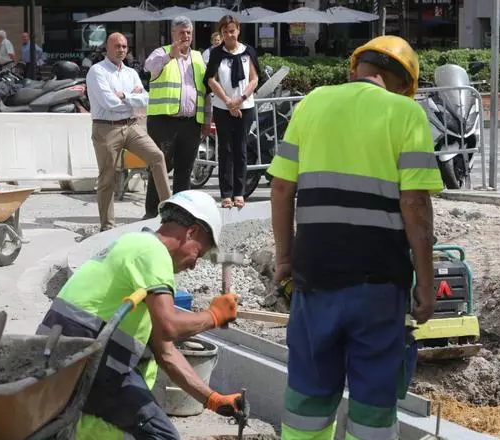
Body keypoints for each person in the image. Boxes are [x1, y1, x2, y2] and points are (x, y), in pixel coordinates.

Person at [268, 35, 444, 440]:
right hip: (379, 285)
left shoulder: (312, 102)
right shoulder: (405, 114)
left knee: (308, 401)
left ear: (356, 71)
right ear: (403, 85)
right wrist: (427, 287)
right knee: (372, 405)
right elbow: (415, 204)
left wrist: (284, 260)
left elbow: (281, 188)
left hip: (314, 278)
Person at [37, 190, 244, 439]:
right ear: (192, 232)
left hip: (68, 365)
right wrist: (214, 316)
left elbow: (166, 351)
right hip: (85, 366)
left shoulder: (135, 248)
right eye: (198, 253)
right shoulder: (152, 252)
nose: (193, 264)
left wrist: (212, 399)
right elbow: (169, 325)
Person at [86, 32, 171, 232]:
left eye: (124, 46)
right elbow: (109, 104)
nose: (122, 50)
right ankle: (107, 227)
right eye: (117, 46)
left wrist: (124, 96)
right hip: (106, 128)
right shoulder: (97, 72)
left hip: (132, 125)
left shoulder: (131, 73)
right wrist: (132, 99)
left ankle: (169, 212)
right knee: (107, 178)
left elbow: (145, 99)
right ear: (107, 47)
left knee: (157, 157)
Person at [143, 16, 212, 220]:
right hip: (164, 121)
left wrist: (207, 120)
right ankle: (152, 212)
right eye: (181, 32)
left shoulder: (199, 58)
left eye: (189, 32)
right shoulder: (161, 52)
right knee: (160, 167)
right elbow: (149, 66)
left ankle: (181, 213)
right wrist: (170, 56)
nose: (186, 36)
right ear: (173, 33)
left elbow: (205, 92)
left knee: (185, 169)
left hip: (191, 122)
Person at [204, 15, 259, 209]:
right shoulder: (216, 53)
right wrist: (228, 102)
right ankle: (226, 194)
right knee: (225, 150)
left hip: (245, 106)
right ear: (221, 33)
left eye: (232, 31)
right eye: (225, 31)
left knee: (241, 150)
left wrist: (240, 100)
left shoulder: (248, 51)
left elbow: (254, 79)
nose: (229, 35)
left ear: (238, 31)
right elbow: (211, 79)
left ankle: (240, 192)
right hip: (222, 107)